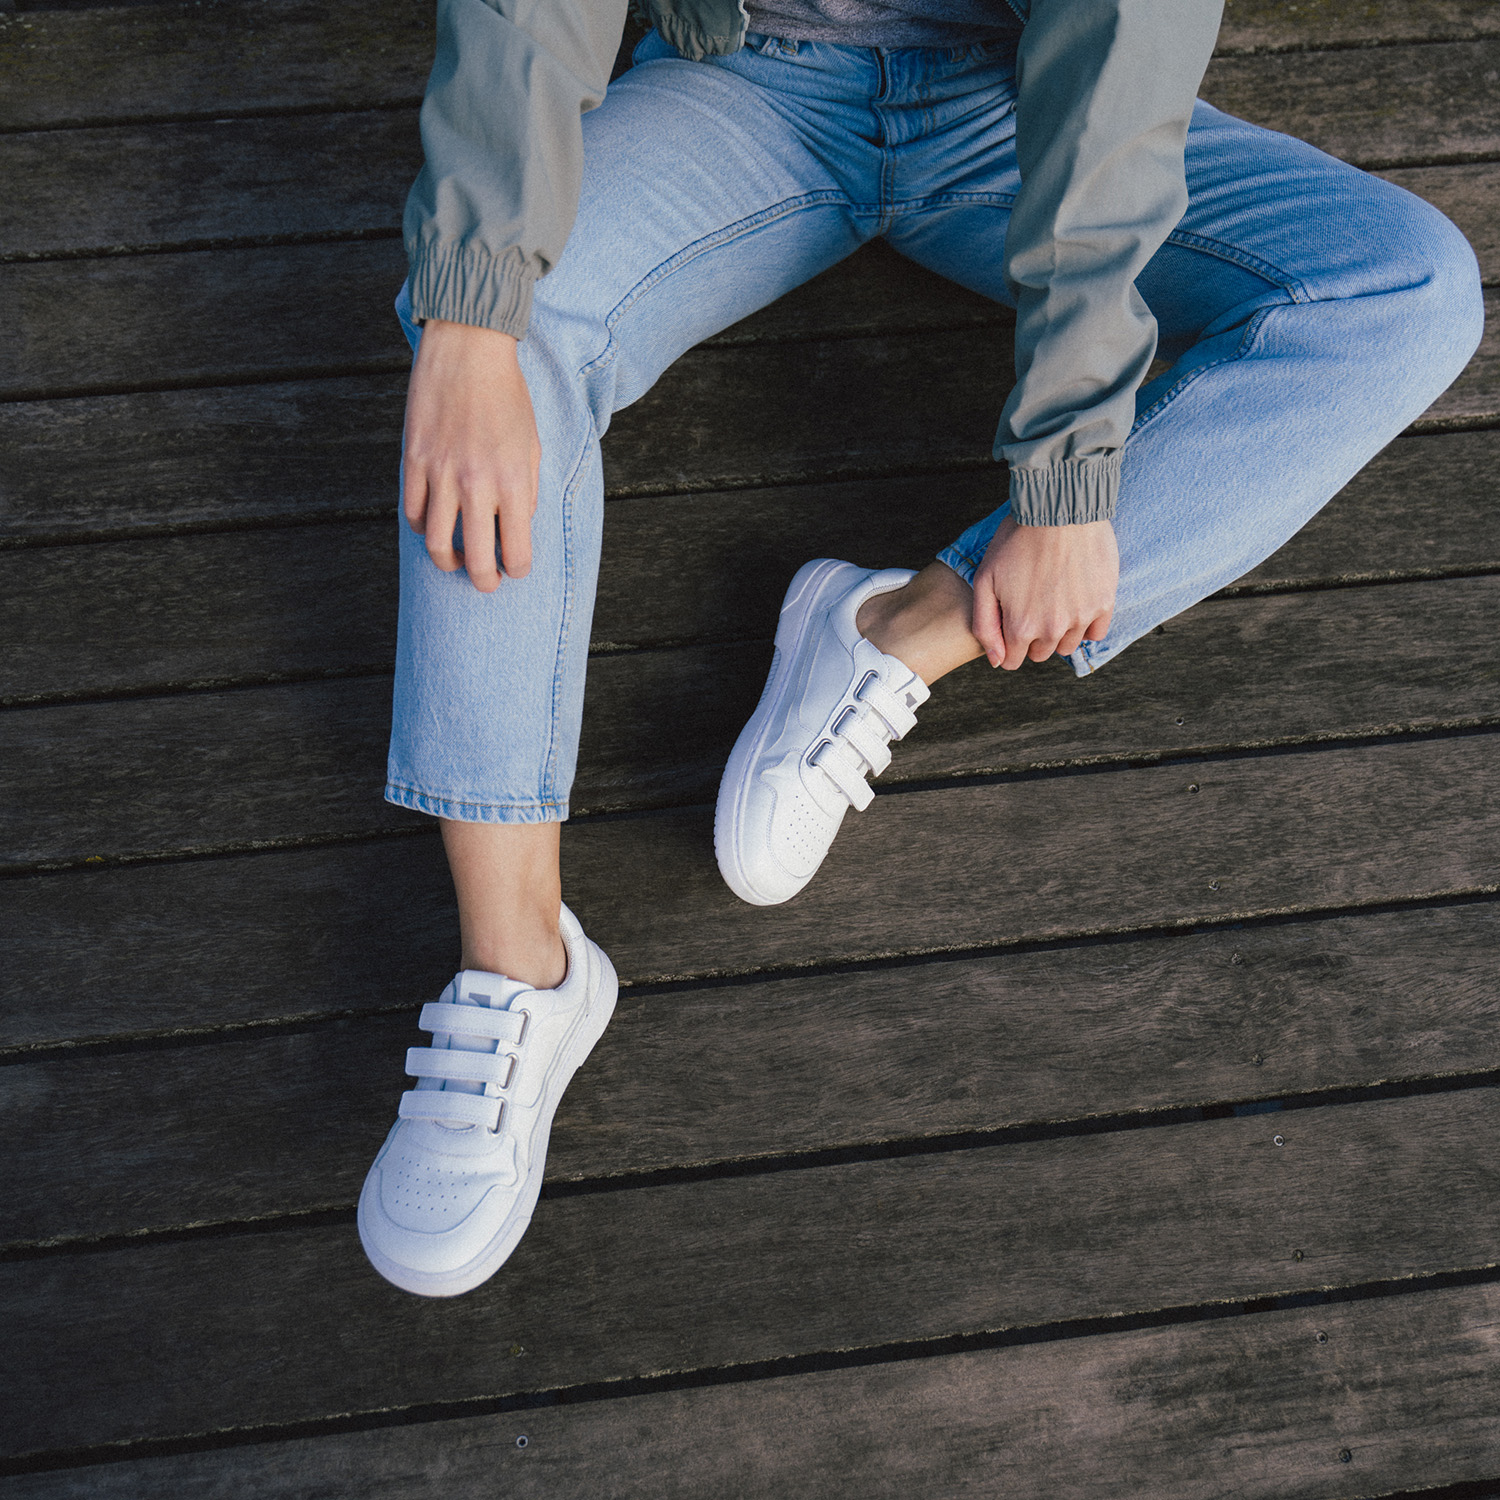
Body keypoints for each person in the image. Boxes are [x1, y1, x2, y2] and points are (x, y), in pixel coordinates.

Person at [356, 0, 1483, 1297]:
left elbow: (1122, 50)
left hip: (1010, 101)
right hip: (744, 80)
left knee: (1403, 286)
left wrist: (1070, 475)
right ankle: (520, 970)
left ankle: (894, 630)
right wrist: (469, 313)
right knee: (501, 338)